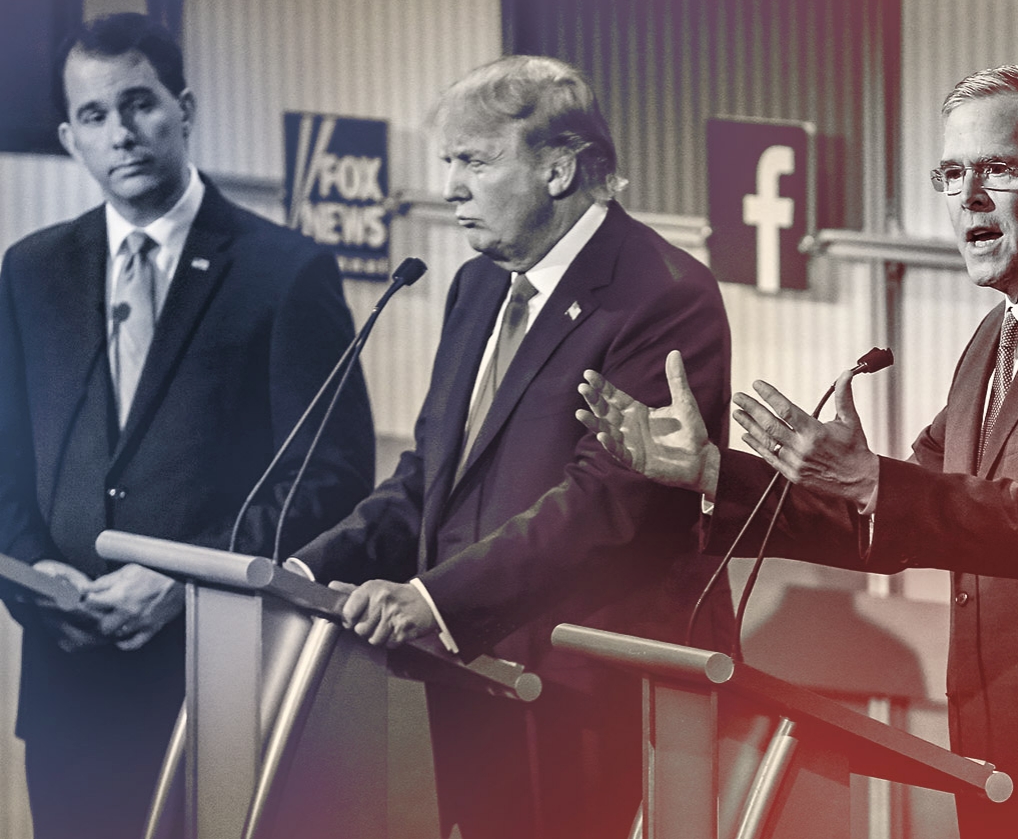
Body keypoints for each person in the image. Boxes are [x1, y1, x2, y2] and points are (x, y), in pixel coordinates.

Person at [578, 64, 1018, 838]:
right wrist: (713, 471)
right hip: (1003, 754)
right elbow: (899, 515)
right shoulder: (998, 335)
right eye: (952, 173)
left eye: (997, 170)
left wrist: (872, 482)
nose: (967, 200)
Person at [292, 55, 732, 839]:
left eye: (475, 162)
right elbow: (431, 474)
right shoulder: (477, 285)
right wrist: (306, 568)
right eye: (448, 163)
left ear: (559, 170)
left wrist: (431, 599)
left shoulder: (661, 295)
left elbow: (607, 503)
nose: (451, 187)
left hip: (587, 687)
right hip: (470, 663)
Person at [0, 13, 375, 839]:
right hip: (69, 686)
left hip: (214, 676)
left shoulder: (285, 271)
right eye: (95, 117)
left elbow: (333, 474)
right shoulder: (30, 270)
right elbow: (8, 463)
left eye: (140, 105)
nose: (121, 133)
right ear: (69, 137)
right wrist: (38, 585)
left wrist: (188, 579)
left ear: (185, 108)